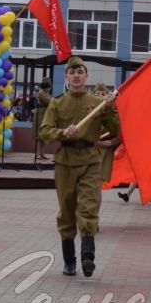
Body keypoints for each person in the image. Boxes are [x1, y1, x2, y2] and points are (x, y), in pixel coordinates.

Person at [39, 57, 120, 277]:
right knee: (67, 210)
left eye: (80, 72)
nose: (76, 75)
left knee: (88, 207)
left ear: (86, 76)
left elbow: (117, 131)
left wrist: (112, 108)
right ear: (66, 77)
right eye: (72, 72)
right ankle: (69, 260)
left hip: (90, 160)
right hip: (65, 160)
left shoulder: (98, 103)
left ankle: (87, 257)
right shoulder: (57, 103)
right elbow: (44, 131)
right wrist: (61, 133)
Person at [33, 77, 52, 160]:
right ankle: (38, 154)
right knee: (39, 136)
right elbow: (50, 101)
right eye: (48, 86)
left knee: (43, 136)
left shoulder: (46, 93)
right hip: (41, 115)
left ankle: (42, 153)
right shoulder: (41, 93)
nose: (49, 88)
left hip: (45, 114)